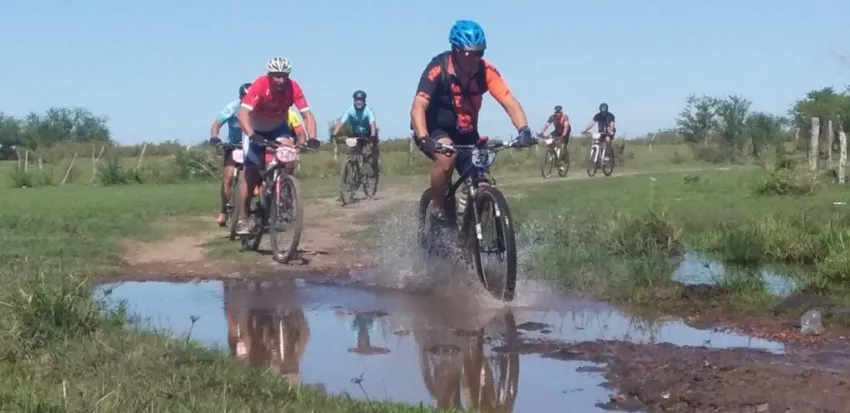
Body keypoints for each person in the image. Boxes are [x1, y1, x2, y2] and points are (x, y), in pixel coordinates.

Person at [410, 19, 536, 230]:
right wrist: (424, 137)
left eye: (479, 53)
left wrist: (523, 130)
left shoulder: (486, 71)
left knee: (483, 184)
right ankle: (437, 208)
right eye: (468, 54)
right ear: (455, 51)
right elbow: (418, 106)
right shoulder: (437, 69)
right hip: (433, 128)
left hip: (466, 131)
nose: (474, 59)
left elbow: (509, 101)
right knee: (447, 158)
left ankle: (471, 244)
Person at [235, 56, 319, 235]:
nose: (280, 80)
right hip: (254, 129)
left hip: (277, 128)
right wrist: (251, 134)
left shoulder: (294, 87)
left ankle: (283, 187)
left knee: (289, 155)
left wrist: (312, 137)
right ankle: (243, 218)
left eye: (284, 76)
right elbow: (242, 114)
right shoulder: (260, 85)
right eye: (276, 76)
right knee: (250, 173)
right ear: (269, 75)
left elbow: (307, 115)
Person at [209, 83, 250, 226]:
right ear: (240, 97)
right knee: (228, 177)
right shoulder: (233, 107)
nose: (248, 99)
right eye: (245, 97)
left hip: (251, 145)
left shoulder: (257, 108)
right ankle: (223, 210)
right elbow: (217, 123)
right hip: (234, 145)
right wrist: (214, 136)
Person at [331, 90, 377, 158]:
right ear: (354, 101)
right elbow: (341, 122)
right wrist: (334, 134)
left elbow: (372, 124)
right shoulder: (350, 110)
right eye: (357, 100)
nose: (359, 102)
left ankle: (373, 162)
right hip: (356, 134)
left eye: (361, 100)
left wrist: (373, 135)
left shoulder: (368, 110)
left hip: (368, 134)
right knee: (353, 153)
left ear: (364, 101)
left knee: (371, 153)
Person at [538, 105, 571, 171]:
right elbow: (546, 125)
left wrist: (563, 136)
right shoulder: (552, 117)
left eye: (559, 113)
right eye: (556, 113)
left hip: (565, 131)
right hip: (557, 131)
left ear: (561, 112)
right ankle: (553, 154)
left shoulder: (565, 117)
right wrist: (541, 133)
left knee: (562, 145)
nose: (557, 114)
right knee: (549, 140)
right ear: (555, 113)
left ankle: (562, 159)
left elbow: (566, 126)